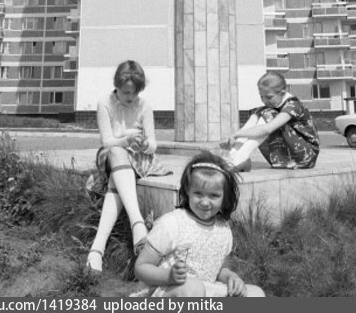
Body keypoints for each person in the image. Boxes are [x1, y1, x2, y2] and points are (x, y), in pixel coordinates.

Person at [133, 151, 265, 297]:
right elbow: (141, 267)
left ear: (225, 198)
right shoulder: (172, 224)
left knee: (256, 294)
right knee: (194, 287)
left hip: (205, 291)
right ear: (187, 191)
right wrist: (168, 276)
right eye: (198, 193)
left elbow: (218, 270)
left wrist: (231, 277)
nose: (205, 202)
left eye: (214, 195)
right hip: (167, 290)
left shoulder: (223, 229)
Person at [86, 60, 172, 278]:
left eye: (135, 93)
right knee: (116, 152)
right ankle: (138, 224)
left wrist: (145, 144)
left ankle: (97, 249)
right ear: (116, 86)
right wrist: (126, 140)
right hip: (112, 153)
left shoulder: (145, 105)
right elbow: (107, 141)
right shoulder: (105, 102)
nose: (131, 98)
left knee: (115, 181)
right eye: (126, 92)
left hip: (139, 158)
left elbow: (153, 144)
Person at [221, 72, 320, 171]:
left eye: (269, 97)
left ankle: (241, 157)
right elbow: (247, 128)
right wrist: (234, 142)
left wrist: (237, 134)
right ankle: (234, 156)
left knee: (269, 114)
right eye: (261, 96)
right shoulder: (267, 108)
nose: (264, 100)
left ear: (282, 93)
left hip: (305, 156)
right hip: (286, 156)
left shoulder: (293, 105)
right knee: (260, 111)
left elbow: (268, 129)